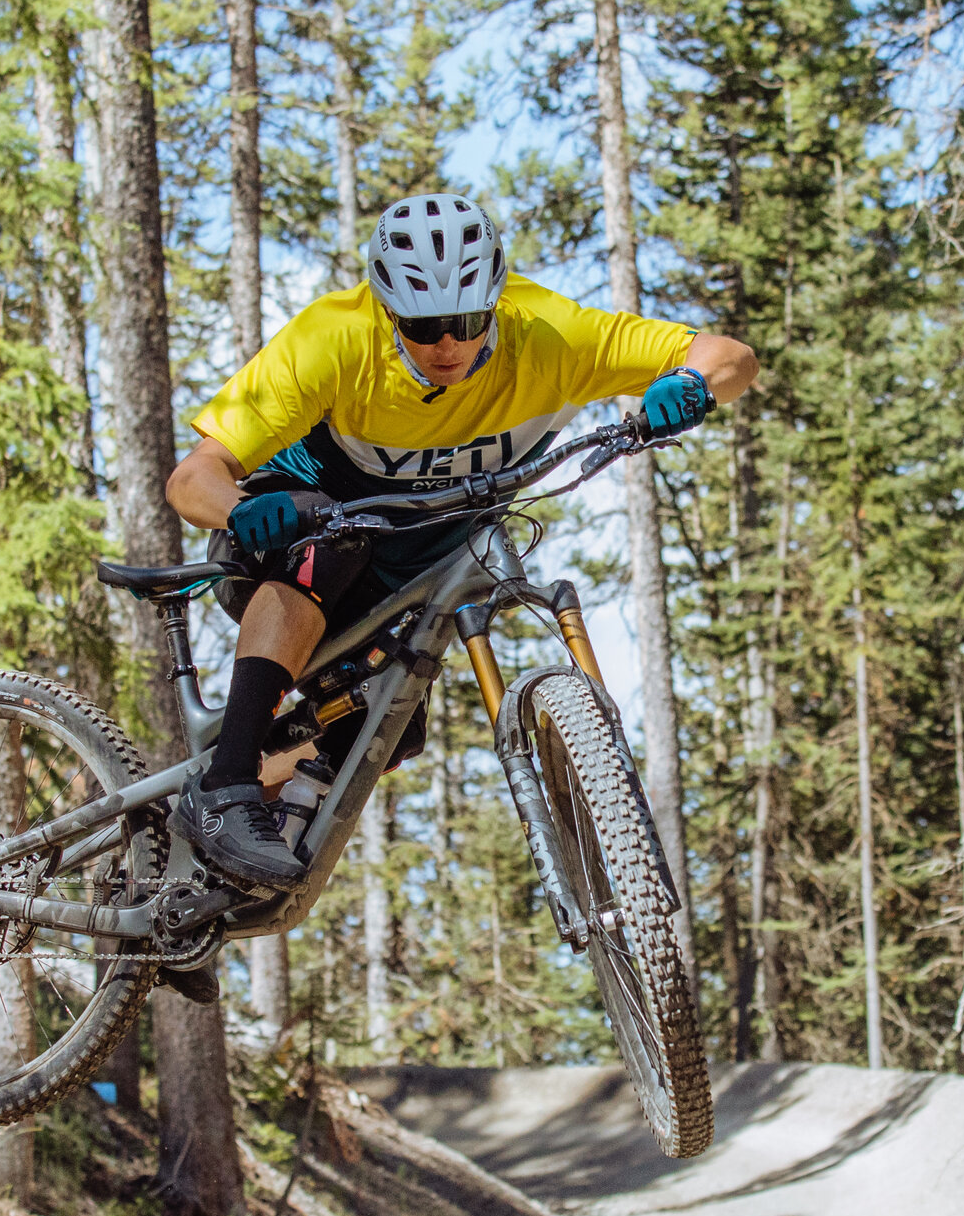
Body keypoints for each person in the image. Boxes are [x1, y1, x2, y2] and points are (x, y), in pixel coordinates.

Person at [165, 192, 760, 890]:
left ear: (496, 301)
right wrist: (239, 509)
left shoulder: (552, 336)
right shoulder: (333, 340)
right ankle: (224, 787)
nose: (447, 343)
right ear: (387, 311)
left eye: (466, 321)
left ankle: (198, 881)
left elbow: (732, 357)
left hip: (405, 574)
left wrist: (691, 383)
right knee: (331, 547)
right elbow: (191, 479)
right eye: (423, 327)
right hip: (296, 541)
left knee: (380, 734)